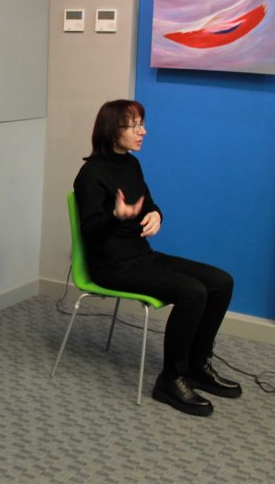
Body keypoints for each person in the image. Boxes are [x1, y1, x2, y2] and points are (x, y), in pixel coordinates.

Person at [73, 99, 241, 417]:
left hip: (142, 256)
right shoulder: (90, 174)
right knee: (193, 292)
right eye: (134, 126)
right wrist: (116, 216)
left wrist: (155, 215)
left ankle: (197, 364)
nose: (143, 132)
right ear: (112, 131)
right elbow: (90, 233)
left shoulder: (131, 165)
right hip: (111, 266)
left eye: (142, 124)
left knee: (221, 282)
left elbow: (148, 204)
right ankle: (171, 379)